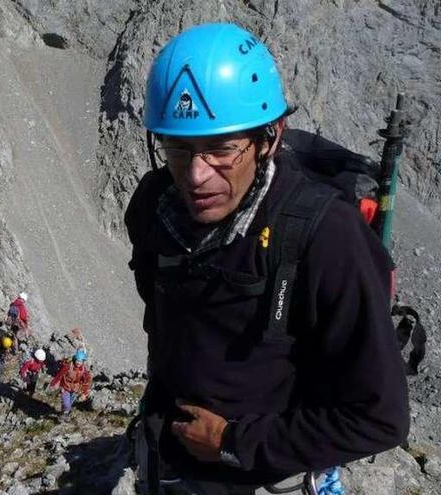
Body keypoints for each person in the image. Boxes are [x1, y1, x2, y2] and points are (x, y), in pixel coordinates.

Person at [124, 22, 409, 494]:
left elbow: (381, 417)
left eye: (220, 149)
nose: (195, 175)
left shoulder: (326, 236)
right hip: (168, 467)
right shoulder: (155, 208)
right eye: (178, 147)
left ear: (270, 138)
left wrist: (233, 441)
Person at [49, 349, 92, 419]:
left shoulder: (84, 371)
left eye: (80, 361)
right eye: (77, 360)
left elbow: (86, 382)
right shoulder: (68, 366)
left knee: (69, 403)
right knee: (67, 404)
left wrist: (84, 393)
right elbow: (60, 375)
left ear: (83, 362)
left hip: (75, 389)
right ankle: (64, 414)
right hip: (65, 387)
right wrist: (53, 383)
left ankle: (63, 414)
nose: (78, 362)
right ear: (75, 359)